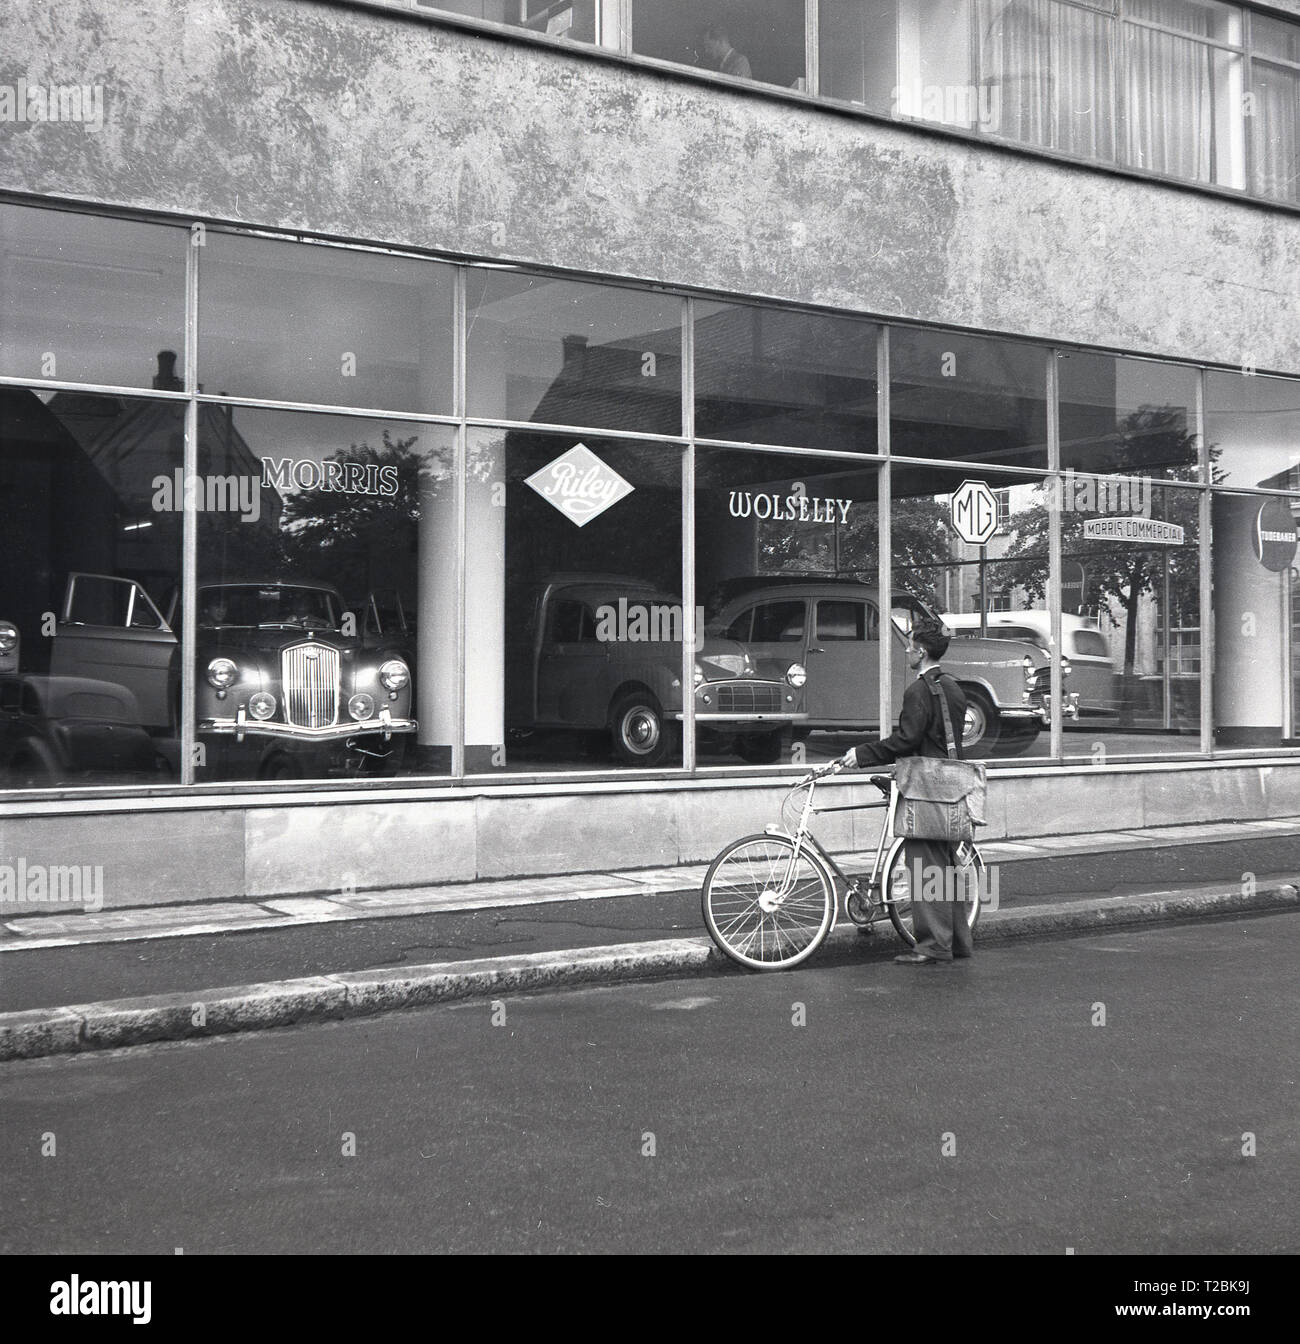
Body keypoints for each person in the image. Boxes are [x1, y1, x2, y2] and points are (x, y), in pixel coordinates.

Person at [838, 617, 974, 965]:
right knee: (946, 867)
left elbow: (906, 740)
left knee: (926, 867)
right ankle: (957, 942)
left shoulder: (918, 690)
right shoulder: (955, 688)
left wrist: (862, 754)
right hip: (951, 787)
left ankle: (932, 946)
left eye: (911, 644)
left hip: (925, 790)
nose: (907, 649)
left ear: (922, 651)